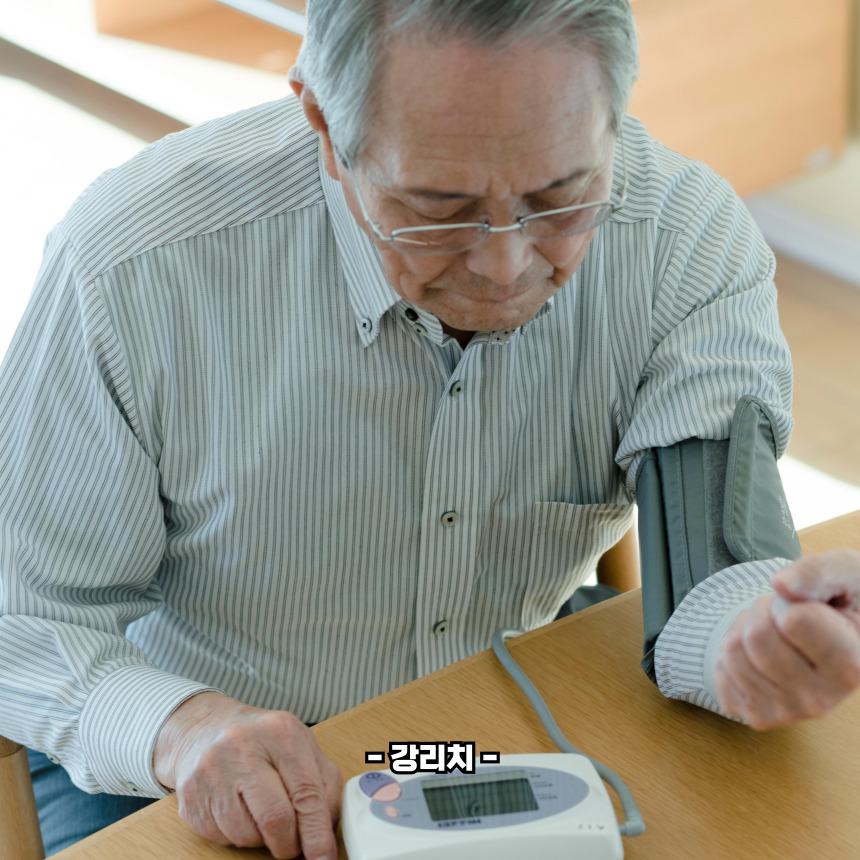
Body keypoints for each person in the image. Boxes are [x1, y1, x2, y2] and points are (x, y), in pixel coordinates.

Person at [1, 0, 859, 858]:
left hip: (493, 713)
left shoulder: (683, 242)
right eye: (438, 207)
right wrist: (180, 727)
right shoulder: (133, 264)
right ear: (323, 125)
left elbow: (712, 573)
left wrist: (766, 640)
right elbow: (23, 621)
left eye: (559, 198)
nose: (505, 267)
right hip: (191, 752)